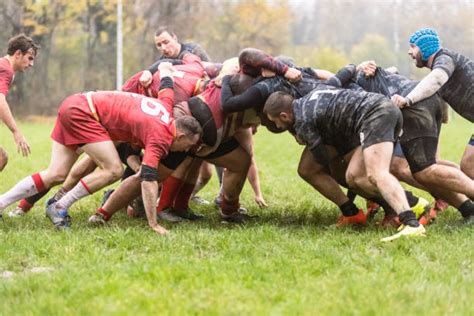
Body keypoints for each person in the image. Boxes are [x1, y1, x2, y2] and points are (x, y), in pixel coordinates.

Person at [0, 63, 202, 235]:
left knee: (56, 173)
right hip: (86, 114)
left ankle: (1, 203)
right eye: (189, 146)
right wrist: (153, 223)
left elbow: (166, 77)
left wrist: (163, 66)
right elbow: (148, 181)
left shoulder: (166, 106)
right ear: (181, 135)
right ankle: (59, 206)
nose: (186, 150)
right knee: (113, 169)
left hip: (75, 104)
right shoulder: (161, 137)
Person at [263, 85, 425, 242]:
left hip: (376, 115)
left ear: (284, 115)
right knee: (355, 177)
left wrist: (306, 140)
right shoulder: (311, 96)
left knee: (376, 173)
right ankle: (407, 205)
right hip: (380, 109)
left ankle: (411, 221)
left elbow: (322, 159)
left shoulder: (303, 121)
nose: (277, 126)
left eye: (276, 122)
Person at [391, 27, 474, 182]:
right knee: (468, 166)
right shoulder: (441, 65)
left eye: (413, 47)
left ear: (425, 47)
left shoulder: (445, 58)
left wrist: (407, 100)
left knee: (469, 166)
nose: (410, 52)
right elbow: (435, 89)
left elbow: (436, 80)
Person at [0, 34, 39, 171]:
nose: (31, 64)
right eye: (30, 58)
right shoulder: (5, 70)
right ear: (18, 54)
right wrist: (16, 131)